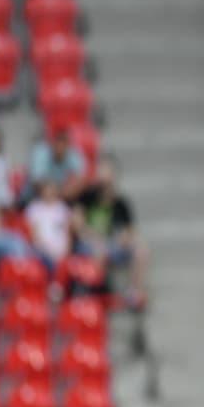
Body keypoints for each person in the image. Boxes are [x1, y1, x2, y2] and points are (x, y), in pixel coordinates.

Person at [73, 157, 149, 307]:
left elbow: (130, 231)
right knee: (100, 251)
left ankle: (135, 292)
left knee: (141, 250)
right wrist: (93, 236)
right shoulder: (87, 196)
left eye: (108, 173)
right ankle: (93, 294)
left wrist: (125, 238)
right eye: (102, 172)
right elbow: (77, 224)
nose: (105, 177)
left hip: (111, 244)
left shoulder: (121, 203)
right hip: (88, 243)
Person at [27, 126, 87, 202]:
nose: (60, 146)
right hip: (35, 196)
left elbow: (82, 179)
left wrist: (69, 190)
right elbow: (37, 182)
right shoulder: (40, 152)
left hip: (59, 193)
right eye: (58, 141)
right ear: (52, 142)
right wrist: (56, 193)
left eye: (64, 142)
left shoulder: (74, 153)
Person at [25, 179, 71, 265]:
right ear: (42, 191)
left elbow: (67, 232)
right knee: (46, 259)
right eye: (47, 190)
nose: (49, 193)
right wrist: (48, 250)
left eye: (52, 190)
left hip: (60, 250)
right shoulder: (34, 207)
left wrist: (66, 251)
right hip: (41, 250)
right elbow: (34, 234)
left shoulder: (63, 208)